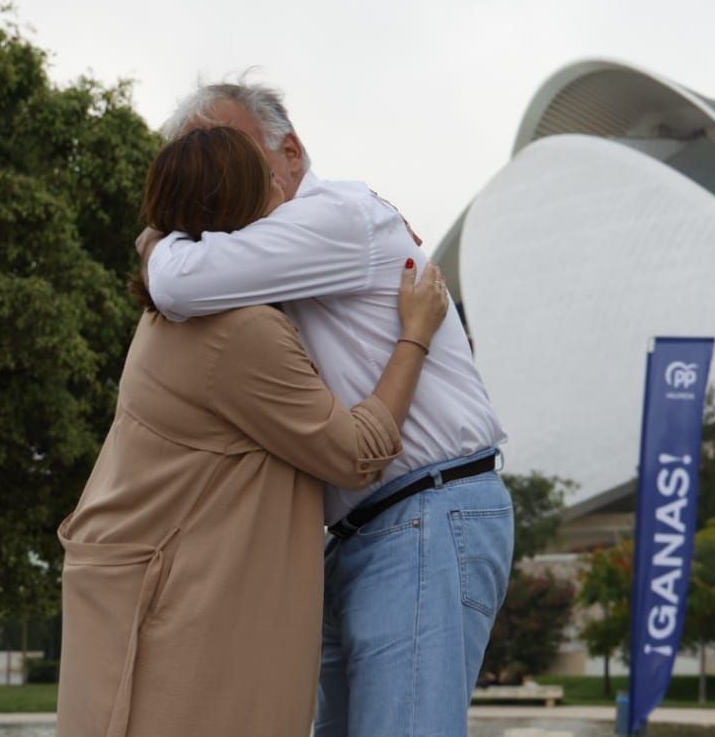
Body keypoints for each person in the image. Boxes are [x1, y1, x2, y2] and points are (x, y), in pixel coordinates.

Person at [143, 82, 512, 737]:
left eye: (228, 154)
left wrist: (154, 236)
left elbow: (176, 282)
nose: (217, 178)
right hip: (378, 525)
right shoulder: (290, 237)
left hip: (421, 509)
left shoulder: (333, 219)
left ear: (291, 151)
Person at [56, 126, 451, 737]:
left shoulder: (175, 315)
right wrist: (415, 335)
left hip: (156, 604)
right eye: (262, 179)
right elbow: (354, 453)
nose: (282, 188)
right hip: (188, 622)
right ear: (235, 207)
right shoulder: (238, 332)